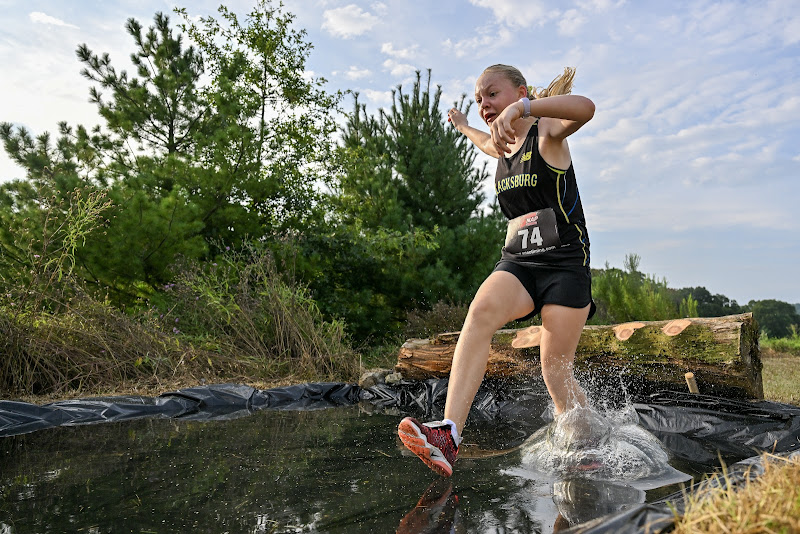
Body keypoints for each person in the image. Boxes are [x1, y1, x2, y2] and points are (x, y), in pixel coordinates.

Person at [398, 65, 597, 477]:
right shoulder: (500, 147)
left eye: (492, 94)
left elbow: (587, 107)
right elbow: (479, 140)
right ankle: (449, 434)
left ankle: (587, 438)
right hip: (519, 264)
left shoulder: (547, 131)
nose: (485, 104)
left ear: (519, 92)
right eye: (478, 99)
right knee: (480, 311)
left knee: (555, 373)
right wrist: (463, 124)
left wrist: (524, 108)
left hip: (564, 264)